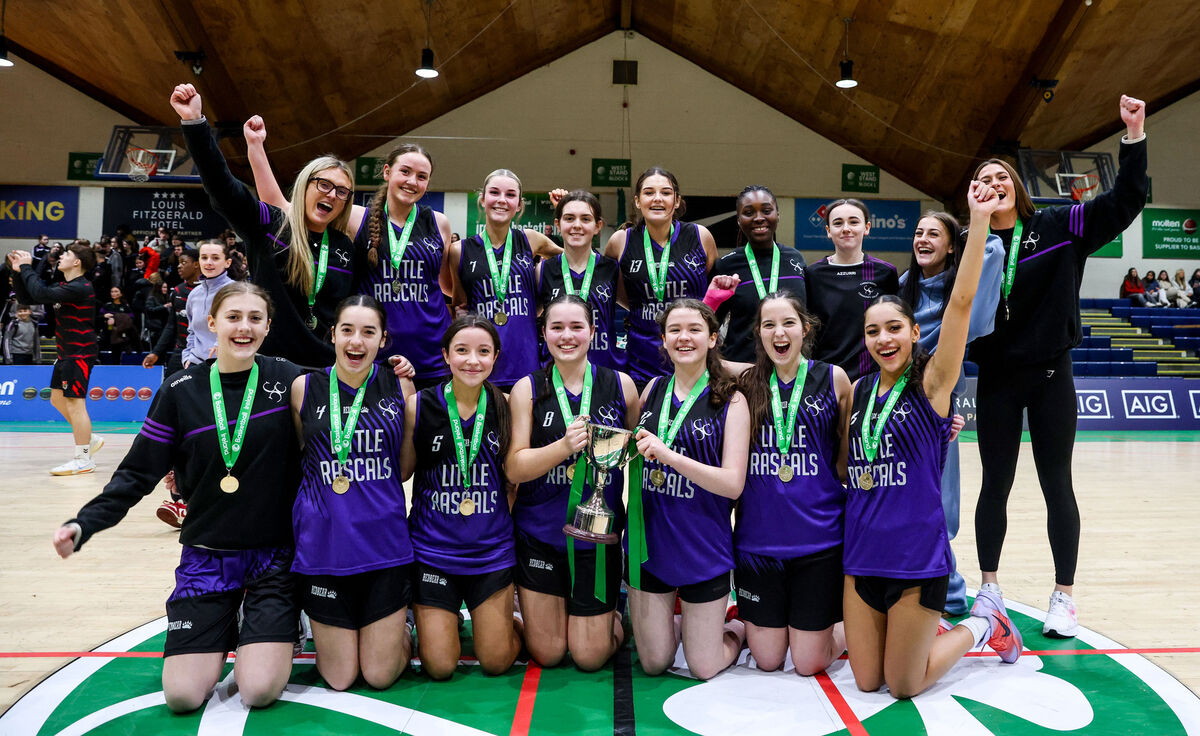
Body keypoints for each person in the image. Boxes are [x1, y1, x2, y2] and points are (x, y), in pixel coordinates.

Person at [52, 282, 304, 712]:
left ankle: (273, 623)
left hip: (273, 559)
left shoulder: (289, 378)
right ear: (212, 324)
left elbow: (349, 398)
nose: (244, 327)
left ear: (267, 327)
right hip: (207, 557)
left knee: (259, 690)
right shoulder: (180, 389)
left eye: (255, 319)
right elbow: (137, 471)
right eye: (233, 317)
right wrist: (85, 523)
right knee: (183, 696)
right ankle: (224, 620)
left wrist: (404, 378)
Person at [971, 94, 1148, 638]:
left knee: (1057, 485)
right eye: (982, 180)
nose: (993, 183)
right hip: (997, 379)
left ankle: (1063, 597)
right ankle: (989, 589)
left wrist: (1134, 136)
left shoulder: (1061, 224)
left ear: (1016, 187)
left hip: (1051, 376)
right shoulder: (968, 243)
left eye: (1001, 176)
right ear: (972, 195)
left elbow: (1125, 200)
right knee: (994, 485)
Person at [842, 180, 1023, 700]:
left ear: (914, 332)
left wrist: (980, 219)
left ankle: (983, 625)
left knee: (902, 685)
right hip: (860, 557)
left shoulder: (933, 384)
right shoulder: (855, 392)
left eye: (894, 328)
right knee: (867, 680)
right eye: (873, 332)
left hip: (916, 558)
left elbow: (962, 303)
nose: (884, 339)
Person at [245, 123, 455, 388]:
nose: (413, 181)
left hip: (432, 353)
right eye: (405, 171)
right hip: (375, 353)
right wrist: (256, 148)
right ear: (387, 172)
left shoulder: (440, 223)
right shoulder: (356, 218)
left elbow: (448, 287)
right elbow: (283, 208)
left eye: (422, 176)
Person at [172, 83, 355, 367]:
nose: (332, 194)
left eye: (341, 191)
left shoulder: (344, 248)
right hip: (270, 368)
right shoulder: (272, 224)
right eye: (324, 184)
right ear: (305, 186)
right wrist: (194, 123)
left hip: (326, 371)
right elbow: (223, 188)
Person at [289, 295, 415, 690]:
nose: (356, 341)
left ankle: (405, 629)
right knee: (340, 678)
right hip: (323, 547)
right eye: (347, 330)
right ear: (333, 334)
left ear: (383, 340)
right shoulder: (303, 387)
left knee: (378, 675)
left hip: (384, 543)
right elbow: (297, 459)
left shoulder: (400, 384)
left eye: (368, 332)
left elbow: (406, 466)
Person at [506, 295, 638, 670]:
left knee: (589, 656)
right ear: (543, 333)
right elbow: (515, 467)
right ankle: (528, 612)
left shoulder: (621, 386)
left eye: (577, 327)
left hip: (596, 539)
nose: (567, 336)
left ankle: (611, 615)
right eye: (557, 327)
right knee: (547, 654)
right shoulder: (527, 388)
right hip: (540, 536)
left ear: (593, 332)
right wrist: (563, 446)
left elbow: (632, 451)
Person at [627, 299, 749, 680]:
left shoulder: (732, 398)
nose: (684, 338)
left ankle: (738, 630)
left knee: (704, 666)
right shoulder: (651, 390)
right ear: (662, 340)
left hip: (702, 546)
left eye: (695, 330)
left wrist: (671, 457)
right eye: (675, 330)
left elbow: (732, 484)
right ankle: (681, 630)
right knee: (654, 663)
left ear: (713, 338)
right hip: (648, 543)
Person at [733, 293, 851, 675]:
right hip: (757, 543)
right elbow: (698, 349)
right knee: (767, 660)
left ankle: (857, 626)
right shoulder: (745, 384)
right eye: (769, 324)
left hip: (818, 542)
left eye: (788, 323)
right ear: (758, 333)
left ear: (805, 329)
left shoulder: (833, 378)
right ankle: (738, 621)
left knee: (807, 662)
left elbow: (847, 456)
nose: (779, 332)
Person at [400, 315, 522, 678]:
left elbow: (512, 482)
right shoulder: (419, 406)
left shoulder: (507, 404)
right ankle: (417, 621)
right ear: (445, 355)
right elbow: (405, 471)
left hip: (490, 552)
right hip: (433, 551)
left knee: (497, 662)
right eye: (462, 351)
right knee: (439, 666)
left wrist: (492, 524)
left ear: (496, 357)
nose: (473, 360)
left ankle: (506, 620)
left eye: (483, 351)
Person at [898, 211, 1004, 615]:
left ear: (951, 245)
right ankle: (920, 587)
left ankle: (952, 596)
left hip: (938, 408)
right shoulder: (904, 286)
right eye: (918, 232)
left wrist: (971, 230)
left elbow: (993, 247)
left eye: (934, 234)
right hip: (895, 406)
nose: (923, 240)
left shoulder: (963, 287)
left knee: (939, 508)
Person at [604, 168, 717, 388]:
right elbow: (613, 289)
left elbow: (712, 290)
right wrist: (644, 306)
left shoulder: (700, 236)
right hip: (641, 361)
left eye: (665, 193)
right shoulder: (621, 241)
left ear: (676, 201)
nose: (657, 198)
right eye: (649, 193)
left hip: (694, 357)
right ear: (637, 201)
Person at [449, 169, 560, 390]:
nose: (501, 200)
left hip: (525, 362)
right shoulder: (459, 250)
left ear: (519, 204)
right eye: (494, 193)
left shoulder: (531, 240)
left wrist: (565, 210)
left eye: (510, 195)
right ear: (482, 200)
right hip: (480, 365)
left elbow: (573, 260)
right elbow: (458, 305)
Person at [8, 244, 104, 475]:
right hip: (66, 353)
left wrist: (27, 266)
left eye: (67, 254)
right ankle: (88, 439)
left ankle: (83, 459)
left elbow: (40, 293)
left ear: (77, 262)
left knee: (75, 403)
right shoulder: (66, 286)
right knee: (57, 399)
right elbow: (27, 297)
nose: (61, 257)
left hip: (79, 353)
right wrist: (17, 272)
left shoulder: (80, 287)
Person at [709, 186, 808, 363]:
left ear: (777, 215)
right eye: (748, 212)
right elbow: (709, 324)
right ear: (739, 220)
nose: (759, 218)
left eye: (766, 210)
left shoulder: (795, 259)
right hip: (742, 370)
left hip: (792, 370)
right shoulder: (727, 265)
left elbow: (807, 316)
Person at [804, 199, 900, 381]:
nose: (846, 228)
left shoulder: (885, 273)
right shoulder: (812, 274)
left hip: (872, 379)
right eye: (838, 223)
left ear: (867, 227)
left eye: (854, 222)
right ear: (828, 231)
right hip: (824, 377)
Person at [539, 190, 623, 371]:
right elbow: (531, 316)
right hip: (555, 371)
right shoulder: (543, 270)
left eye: (585, 219)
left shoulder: (612, 269)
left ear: (598, 226)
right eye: (569, 219)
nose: (577, 225)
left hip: (603, 368)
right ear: (558, 225)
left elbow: (635, 305)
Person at [144, 248, 200, 375]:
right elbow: (171, 325)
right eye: (179, 262)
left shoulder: (210, 291)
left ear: (196, 264)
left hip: (203, 353)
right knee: (167, 389)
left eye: (184, 262)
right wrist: (156, 352)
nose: (179, 266)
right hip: (181, 350)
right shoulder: (178, 291)